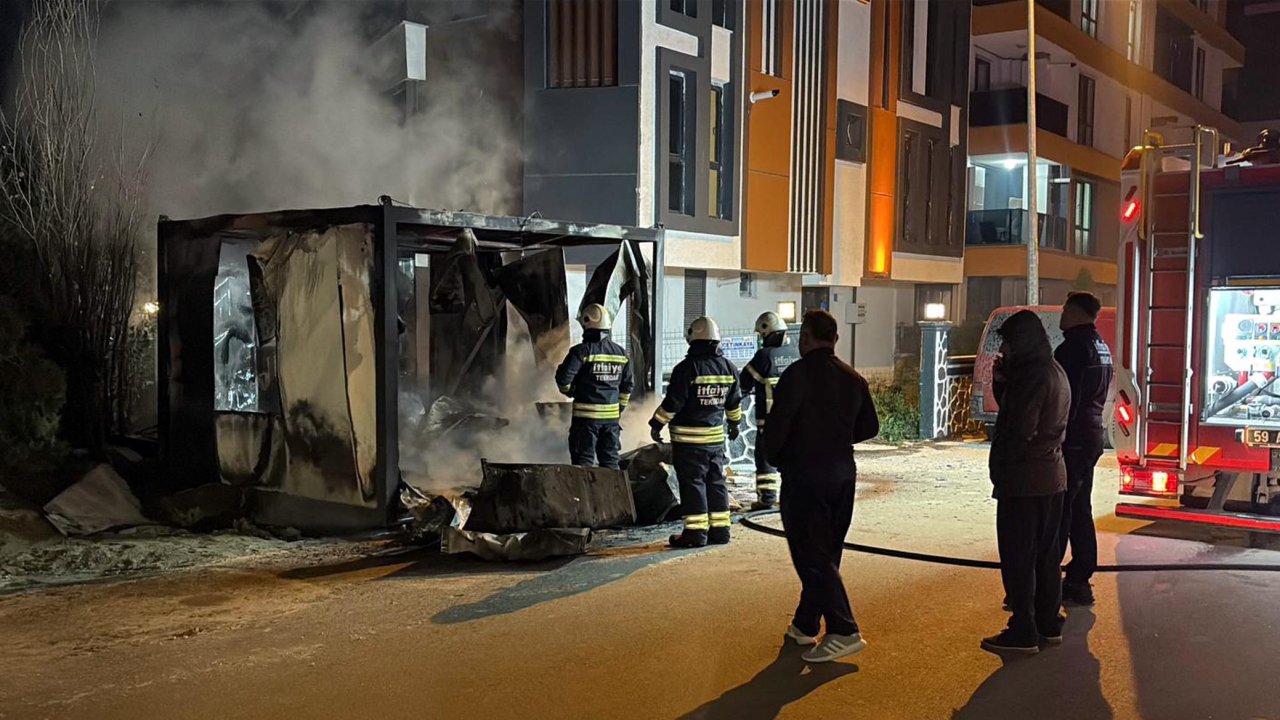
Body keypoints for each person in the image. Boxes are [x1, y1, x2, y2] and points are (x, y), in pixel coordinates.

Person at [761, 310, 879, 664]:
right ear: (836, 339)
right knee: (826, 553)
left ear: (807, 337)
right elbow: (869, 427)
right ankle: (806, 623)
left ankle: (844, 629)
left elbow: (777, 430)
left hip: (805, 476)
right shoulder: (853, 378)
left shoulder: (797, 376)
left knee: (811, 555)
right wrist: (839, 438)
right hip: (843, 474)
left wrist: (777, 456)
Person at [982, 309, 1071, 656]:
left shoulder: (1032, 375)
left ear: (1021, 342)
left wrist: (1004, 463)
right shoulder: (1053, 369)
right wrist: (1003, 383)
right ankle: (1047, 622)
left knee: (1019, 556)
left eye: (1007, 340)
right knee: (1046, 556)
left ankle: (1023, 629)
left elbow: (1019, 426)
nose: (1004, 347)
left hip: (1026, 480)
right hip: (1052, 477)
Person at [650, 316, 744, 548]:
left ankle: (695, 534)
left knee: (693, 485)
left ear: (694, 339)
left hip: (689, 442)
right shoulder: (729, 367)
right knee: (716, 483)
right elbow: (734, 403)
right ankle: (721, 530)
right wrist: (734, 424)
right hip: (714, 441)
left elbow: (673, 402)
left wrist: (657, 423)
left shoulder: (686, 368)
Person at [1055, 292, 1113, 606]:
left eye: (1065, 309)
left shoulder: (1072, 348)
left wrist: (1056, 437)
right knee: (1080, 509)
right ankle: (1080, 576)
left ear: (1076, 311)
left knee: (1062, 510)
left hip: (1073, 440)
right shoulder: (1099, 345)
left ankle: (1058, 579)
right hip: (1090, 436)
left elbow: (1065, 400)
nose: (1061, 314)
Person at [555, 304, 633, 470]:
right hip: (611, 421)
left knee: (583, 462)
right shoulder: (621, 353)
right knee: (611, 461)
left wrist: (571, 391)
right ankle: (614, 496)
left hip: (586, 419)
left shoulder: (581, 351)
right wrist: (618, 408)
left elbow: (563, 379)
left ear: (586, 324)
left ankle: (585, 496)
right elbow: (627, 386)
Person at [740, 311, 801, 510]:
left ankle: (766, 499)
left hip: (769, 421)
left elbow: (744, 383)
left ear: (770, 334)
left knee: (765, 459)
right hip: (796, 422)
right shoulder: (795, 354)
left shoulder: (765, 356)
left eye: (763, 336)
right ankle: (795, 497)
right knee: (792, 460)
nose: (762, 340)